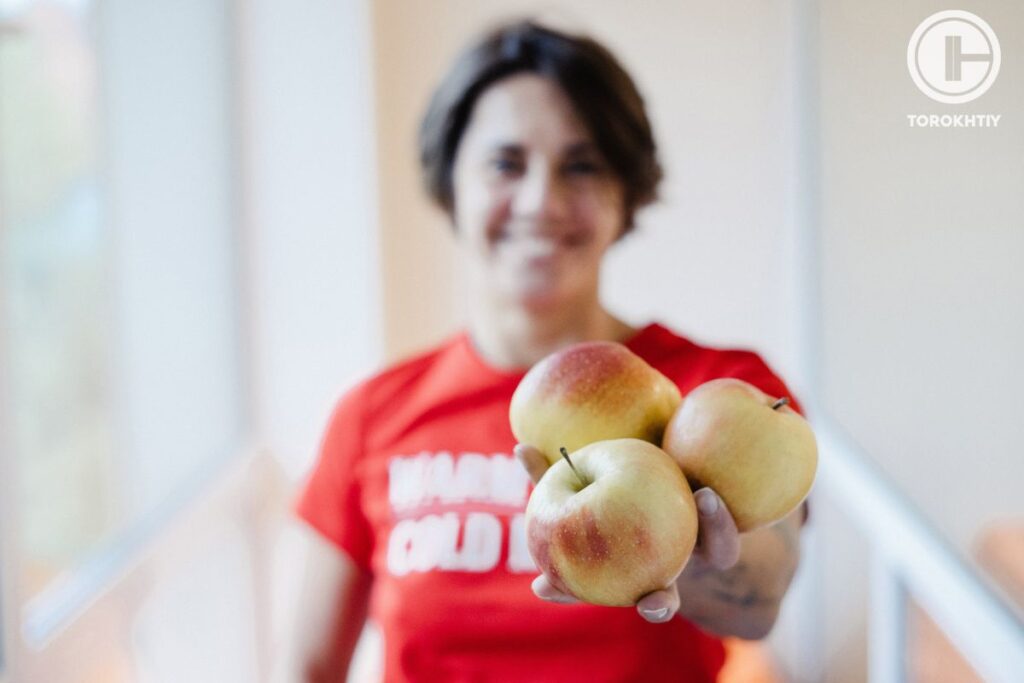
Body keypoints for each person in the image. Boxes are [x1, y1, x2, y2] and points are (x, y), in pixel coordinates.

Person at [281, 19, 806, 683]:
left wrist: (700, 559)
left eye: (581, 166)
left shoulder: (716, 392)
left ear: (626, 194)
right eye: (505, 163)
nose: (541, 200)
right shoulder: (374, 412)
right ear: (453, 184)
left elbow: (762, 601)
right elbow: (304, 666)